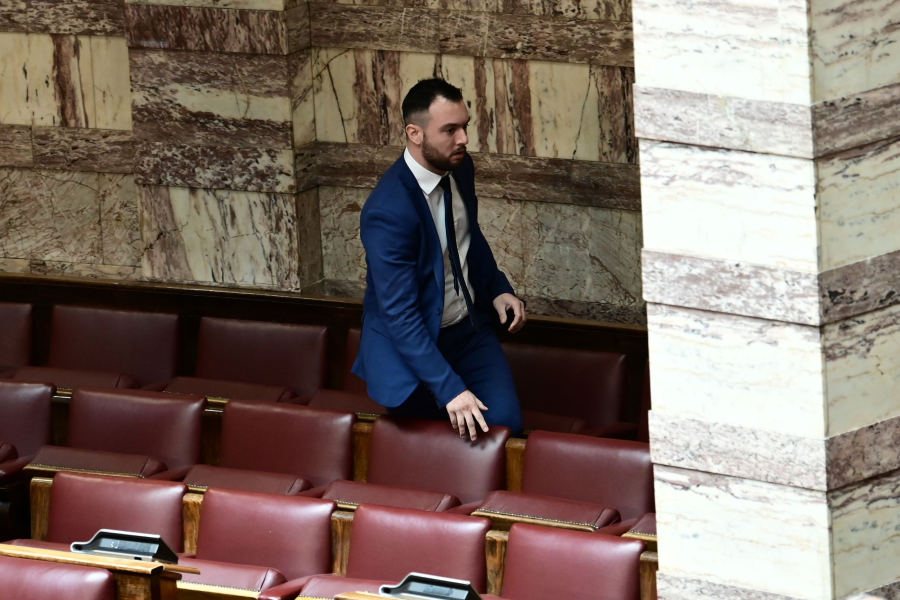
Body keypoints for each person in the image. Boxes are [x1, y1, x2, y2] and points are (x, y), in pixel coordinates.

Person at [352, 78, 526, 440]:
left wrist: (497, 288)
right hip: (412, 350)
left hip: (469, 332)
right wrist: (450, 390)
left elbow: (467, 237)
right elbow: (399, 314)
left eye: (465, 126)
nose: (463, 139)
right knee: (441, 448)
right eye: (450, 130)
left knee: (504, 431)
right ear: (414, 133)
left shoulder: (460, 167)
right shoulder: (388, 211)